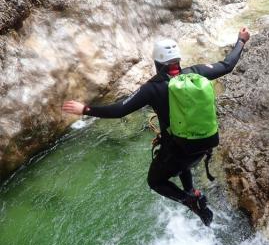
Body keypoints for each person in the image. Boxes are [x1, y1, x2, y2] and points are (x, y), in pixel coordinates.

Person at [62, 27, 250, 227]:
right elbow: (227, 65)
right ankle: (192, 192)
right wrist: (241, 40)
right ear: (178, 59)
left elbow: (119, 110)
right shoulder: (196, 73)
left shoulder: (152, 88)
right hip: (204, 143)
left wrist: (86, 109)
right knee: (181, 164)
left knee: (156, 181)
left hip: (179, 150)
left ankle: (190, 200)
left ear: (157, 62)